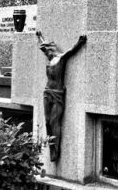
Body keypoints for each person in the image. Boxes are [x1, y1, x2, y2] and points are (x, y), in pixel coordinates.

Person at [36, 32, 87, 162]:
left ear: (51, 49)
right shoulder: (49, 58)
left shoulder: (61, 58)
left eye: (46, 50)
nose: (45, 52)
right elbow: (42, 45)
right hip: (47, 92)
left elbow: (71, 51)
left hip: (58, 94)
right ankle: (51, 147)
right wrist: (40, 36)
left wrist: (79, 42)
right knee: (47, 121)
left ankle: (56, 150)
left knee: (55, 122)